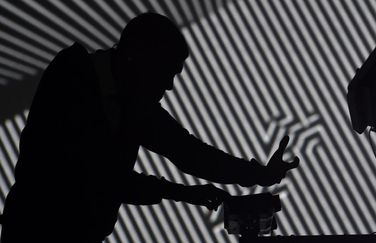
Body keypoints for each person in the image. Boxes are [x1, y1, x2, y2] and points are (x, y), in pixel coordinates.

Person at [0, 13, 299, 242]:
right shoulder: (72, 77)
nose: (168, 86)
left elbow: (191, 154)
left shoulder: (131, 99)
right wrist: (182, 192)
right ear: (139, 57)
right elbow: (101, 176)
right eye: (166, 72)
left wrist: (258, 174)